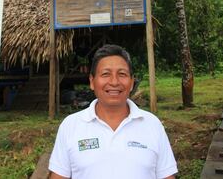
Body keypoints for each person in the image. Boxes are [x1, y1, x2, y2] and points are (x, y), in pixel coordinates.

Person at [48, 44, 177, 179]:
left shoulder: (152, 125)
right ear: (92, 81)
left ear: (132, 82)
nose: (114, 82)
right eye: (105, 74)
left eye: (122, 74)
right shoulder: (71, 126)